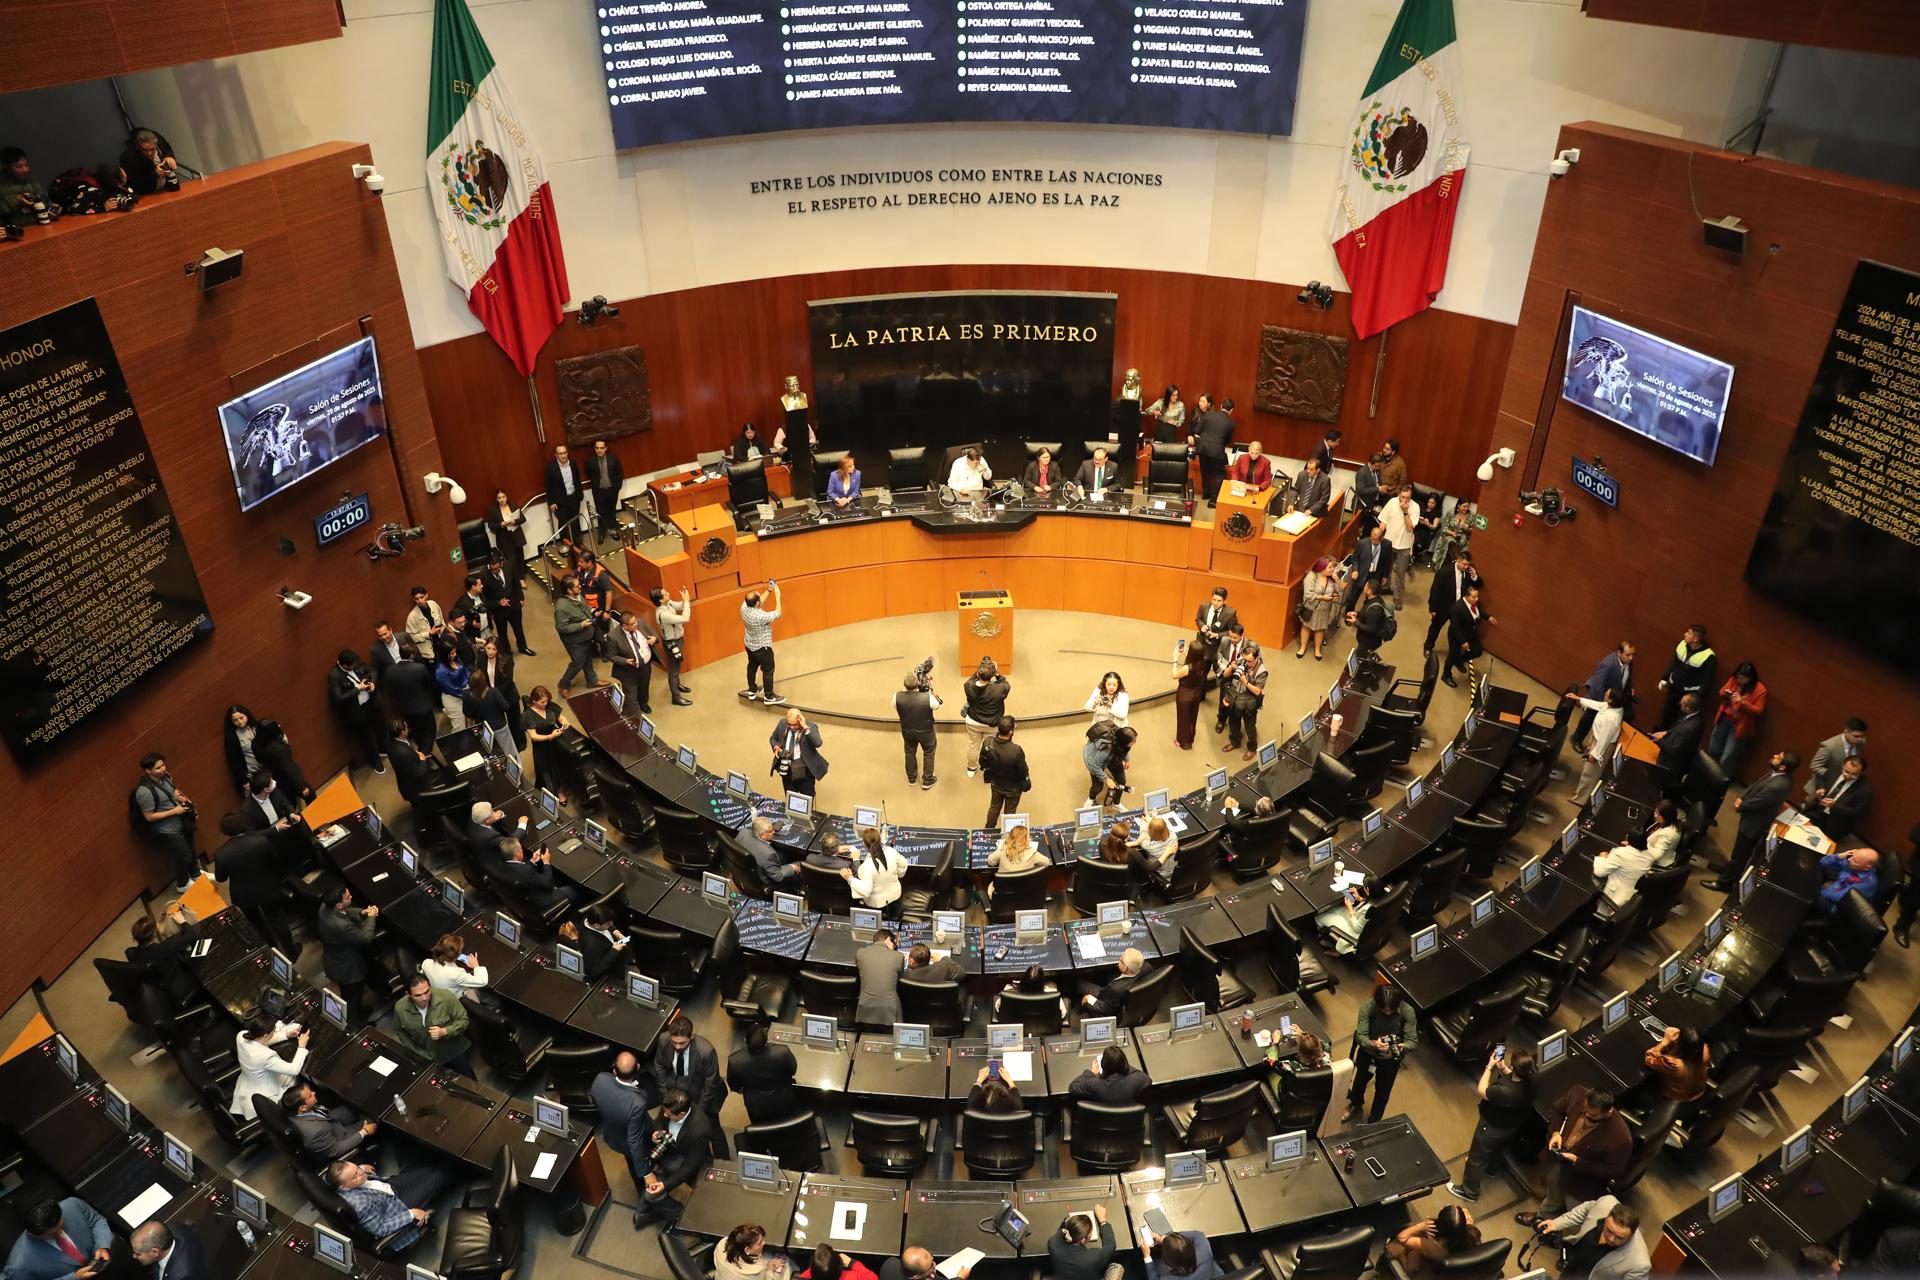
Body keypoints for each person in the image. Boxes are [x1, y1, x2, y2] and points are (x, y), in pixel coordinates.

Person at [1528, 1085, 1631, 1215]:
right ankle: (1542, 1218)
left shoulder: (1621, 1138)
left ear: (1608, 1112)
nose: (1586, 1116)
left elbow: (1614, 1170)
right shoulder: (1577, 1094)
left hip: (1581, 1183)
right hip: (1558, 1162)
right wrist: (1556, 1133)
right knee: (1553, 1194)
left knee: (1574, 1215)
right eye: (1584, 1111)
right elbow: (1557, 1110)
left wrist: (1578, 1161)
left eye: (1592, 1117)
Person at [1703, 751, 1797, 891]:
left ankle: (1725, 883)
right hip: (1751, 818)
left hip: (1754, 824)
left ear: (1783, 767)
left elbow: (1758, 802)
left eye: (1779, 757)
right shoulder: (1777, 773)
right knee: (1737, 852)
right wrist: (1742, 796)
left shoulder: (1778, 785)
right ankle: (1728, 869)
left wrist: (1741, 805)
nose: (1775, 755)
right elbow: (1756, 785)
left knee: (1741, 855)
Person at [213, 811, 296, 956]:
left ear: (225, 831)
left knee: (257, 924)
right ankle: (291, 952)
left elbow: (221, 879)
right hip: (268, 888)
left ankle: (272, 950)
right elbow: (276, 863)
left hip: (244, 896)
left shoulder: (221, 853)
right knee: (278, 920)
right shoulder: (262, 841)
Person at [328, 1158, 448, 1252]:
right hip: (401, 1204)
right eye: (355, 1176)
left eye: (357, 1168)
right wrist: (411, 1214)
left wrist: (360, 1168)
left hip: (389, 1186)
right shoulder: (360, 1205)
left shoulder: (337, 1179)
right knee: (439, 1175)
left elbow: (330, 1176)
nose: (361, 1172)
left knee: (428, 1168)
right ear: (343, 1187)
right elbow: (380, 1229)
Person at [1526, 1198, 1648, 1280]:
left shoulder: (1639, 1265)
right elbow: (1585, 1209)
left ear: (1632, 1235)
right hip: (1572, 1266)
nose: (1610, 1239)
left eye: (1619, 1237)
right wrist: (1557, 1223)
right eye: (1609, 1230)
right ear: (1606, 1219)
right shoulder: (1606, 1202)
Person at [1346, 984, 1416, 1123]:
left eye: (1391, 1010)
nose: (1388, 1013)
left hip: (1390, 1059)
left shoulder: (1407, 1011)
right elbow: (1361, 1036)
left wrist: (1402, 1046)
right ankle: (1355, 1103)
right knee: (1359, 1082)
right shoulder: (1368, 1006)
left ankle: (1375, 1120)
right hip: (1368, 1053)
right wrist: (1374, 1044)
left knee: (1383, 1091)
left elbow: (1412, 1041)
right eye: (1384, 1011)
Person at [5, 1197, 122, 1280]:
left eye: (61, 1226)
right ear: (32, 1234)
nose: (60, 1233)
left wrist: (102, 1245)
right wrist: (74, 1278)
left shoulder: (72, 1205)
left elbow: (97, 1220)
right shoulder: (18, 1266)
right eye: (53, 1234)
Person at [221, 706, 314, 803]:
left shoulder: (258, 726)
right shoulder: (232, 737)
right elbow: (234, 761)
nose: (240, 722)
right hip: (255, 772)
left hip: (270, 768)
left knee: (292, 791)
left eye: (241, 718)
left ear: (246, 715)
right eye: (235, 720)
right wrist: (244, 781)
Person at [318, 884, 380, 1025]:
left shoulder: (325, 906)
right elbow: (365, 938)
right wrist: (371, 917)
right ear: (339, 904)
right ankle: (355, 1024)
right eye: (348, 897)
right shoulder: (340, 925)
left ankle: (358, 1013)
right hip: (348, 968)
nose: (351, 897)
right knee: (352, 998)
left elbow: (344, 913)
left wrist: (362, 912)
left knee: (350, 995)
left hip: (335, 960)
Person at [229, 1010, 309, 1118]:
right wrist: (301, 1047)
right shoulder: (266, 1056)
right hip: (267, 1092)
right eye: (273, 1031)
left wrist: (286, 1034)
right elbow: (294, 1070)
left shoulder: (241, 1036)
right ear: (266, 1035)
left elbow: (259, 1041)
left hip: (249, 1081)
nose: (274, 1032)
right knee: (294, 1078)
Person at [392, 973, 476, 1076]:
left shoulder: (446, 998)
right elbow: (401, 1032)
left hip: (454, 1051)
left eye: (427, 991)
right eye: (418, 995)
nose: (424, 998)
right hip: (426, 1056)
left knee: (469, 1080)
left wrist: (445, 1031)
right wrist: (418, 1052)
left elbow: (464, 1020)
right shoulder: (400, 1008)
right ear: (408, 994)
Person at [653, 1014, 726, 1121]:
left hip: (698, 1090)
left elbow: (710, 1083)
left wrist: (699, 1112)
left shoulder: (706, 1052)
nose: (677, 1047)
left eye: (682, 1043)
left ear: (691, 1036)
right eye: (674, 1042)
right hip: (673, 1085)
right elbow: (658, 1066)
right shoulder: (663, 1039)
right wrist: (665, 1095)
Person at [127, 902, 201, 1006]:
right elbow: (191, 934)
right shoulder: (165, 948)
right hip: (177, 989)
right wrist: (182, 921)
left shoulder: (132, 953)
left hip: (156, 993)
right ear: (153, 934)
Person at [1564, 688, 1626, 806]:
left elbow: (1604, 739)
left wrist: (1596, 754)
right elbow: (1596, 704)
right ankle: (1580, 792)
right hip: (1596, 741)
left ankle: (1581, 799)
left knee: (1590, 773)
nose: (1604, 694)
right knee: (1588, 770)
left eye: (1607, 694)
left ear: (1612, 700)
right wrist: (1578, 698)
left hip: (1600, 746)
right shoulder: (1613, 707)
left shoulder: (1611, 719)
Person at [728, 1023, 800, 1124]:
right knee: (786, 1124)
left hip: (756, 1107)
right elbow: (793, 1070)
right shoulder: (783, 1052)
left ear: (745, 1041)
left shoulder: (734, 1061)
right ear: (766, 1041)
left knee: (760, 1128)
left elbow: (735, 1087)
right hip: (783, 1101)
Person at [283, 1083, 378, 1159]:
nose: (314, 1092)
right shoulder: (315, 1133)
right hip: (339, 1137)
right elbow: (335, 1151)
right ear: (303, 1108)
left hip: (328, 1121)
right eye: (310, 1095)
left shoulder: (291, 1107)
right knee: (372, 1119)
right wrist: (364, 1132)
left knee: (353, 1104)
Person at [498, 837, 589, 915]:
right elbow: (547, 884)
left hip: (528, 894)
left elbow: (522, 868)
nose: (522, 850)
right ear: (517, 853)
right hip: (543, 901)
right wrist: (546, 862)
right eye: (521, 849)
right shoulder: (525, 871)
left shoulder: (503, 865)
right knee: (575, 890)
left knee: (557, 876)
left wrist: (532, 861)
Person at [591, 1051, 650, 1169]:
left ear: (614, 1070)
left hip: (613, 1136)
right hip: (630, 1143)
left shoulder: (601, 1078)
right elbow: (635, 1141)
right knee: (635, 1162)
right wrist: (646, 1172)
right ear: (638, 1067)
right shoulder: (637, 1102)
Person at [1706, 662, 1767, 775]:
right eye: (1738, 677)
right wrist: (1727, 694)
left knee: (1728, 755)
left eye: (1742, 678)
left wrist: (1742, 702)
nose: (1739, 680)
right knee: (1714, 748)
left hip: (1739, 726)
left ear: (1750, 678)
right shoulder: (1734, 679)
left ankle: (1719, 779)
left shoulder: (1760, 689)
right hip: (1724, 718)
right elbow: (1721, 692)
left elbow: (1758, 710)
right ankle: (1707, 773)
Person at [1386, 1206, 1479, 1276]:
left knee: (1401, 1245)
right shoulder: (1469, 1235)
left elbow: (1402, 1237)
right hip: (1450, 1267)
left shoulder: (1433, 1246)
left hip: (1428, 1270)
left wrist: (1421, 1226)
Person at [381, 642, 441, 748]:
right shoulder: (419, 668)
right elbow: (428, 684)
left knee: (416, 731)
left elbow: (391, 692)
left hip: (406, 709)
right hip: (423, 707)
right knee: (430, 731)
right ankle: (425, 753)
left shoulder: (390, 671)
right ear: (412, 655)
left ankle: (422, 749)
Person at [1657, 625, 1717, 730]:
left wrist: (1698, 696)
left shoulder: (1708, 656)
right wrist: (1665, 678)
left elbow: (1708, 679)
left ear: (1696, 638)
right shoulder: (1682, 644)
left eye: (1689, 633)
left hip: (1688, 695)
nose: (1685, 634)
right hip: (1673, 688)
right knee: (1666, 716)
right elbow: (1673, 662)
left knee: (1680, 722)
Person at [1576, 642, 1635, 744]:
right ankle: (1576, 739)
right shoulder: (1607, 664)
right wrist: (1603, 705)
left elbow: (1626, 678)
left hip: (1614, 697)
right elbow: (1598, 686)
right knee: (1589, 717)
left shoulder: (1629, 662)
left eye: (1633, 654)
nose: (1631, 658)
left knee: (1629, 715)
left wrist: (1630, 688)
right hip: (1599, 695)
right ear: (1619, 653)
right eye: (1628, 655)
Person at [553, 574, 602, 694]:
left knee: (588, 658)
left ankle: (592, 681)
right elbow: (561, 627)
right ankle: (563, 684)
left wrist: (592, 614)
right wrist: (581, 625)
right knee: (578, 663)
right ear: (569, 590)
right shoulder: (561, 608)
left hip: (587, 635)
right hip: (575, 641)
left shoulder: (578, 595)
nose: (579, 587)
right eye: (576, 586)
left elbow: (584, 610)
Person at [979, 715, 1031, 828]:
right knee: (1010, 813)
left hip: (996, 784)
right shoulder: (1016, 750)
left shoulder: (987, 742)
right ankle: (1007, 834)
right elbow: (1022, 771)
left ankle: (988, 831)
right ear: (1011, 732)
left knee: (994, 808)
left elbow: (982, 762)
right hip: (1013, 788)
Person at [962, 658, 1011, 778]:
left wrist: (980, 670)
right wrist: (997, 672)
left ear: (978, 673)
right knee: (990, 746)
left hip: (973, 721)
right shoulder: (1000, 689)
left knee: (973, 745)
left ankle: (971, 768)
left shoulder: (969, 686)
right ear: (992, 675)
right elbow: (1005, 683)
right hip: (992, 724)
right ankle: (988, 767)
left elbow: (972, 679)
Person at [524, 686, 572, 804]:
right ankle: (556, 793)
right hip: (542, 747)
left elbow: (561, 717)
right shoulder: (528, 715)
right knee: (547, 770)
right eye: (542, 702)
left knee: (558, 767)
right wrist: (550, 736)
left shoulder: (549, 705)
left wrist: (565, 723)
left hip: (555, 743)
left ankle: (560, 789)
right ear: (534, 701)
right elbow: (533, 736)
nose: (545, 704)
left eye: (546, 701)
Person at [1650, 693, 1704, 795]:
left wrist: (1659, 741)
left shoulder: (1691, 727)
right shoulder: (1693, 716)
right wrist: (1666, 733)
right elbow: (1678, 730)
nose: (1679, 704)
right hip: (1672, 760)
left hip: (1671, 767)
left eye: (1682, 703)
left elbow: (1674, 750)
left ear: (1687, 708)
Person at [894, 670, 940, 788]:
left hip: (907, 731)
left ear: (904, 684)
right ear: (918, 683)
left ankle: (912, 778)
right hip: (926, 732)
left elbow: (896, 706)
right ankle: (927, 780)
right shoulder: (927, 697)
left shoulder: (896, 697)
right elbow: (937, 705)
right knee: (929, 753)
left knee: (909, 753)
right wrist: (931, 691)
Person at [649, 585, 695, 706]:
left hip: (678, 640)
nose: (668, 593)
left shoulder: (667, 604)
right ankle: (676, 697)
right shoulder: (663, 614)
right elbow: (685, 618)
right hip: (672, 643)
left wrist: (685, 599)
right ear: (660, 600)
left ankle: (677, 685)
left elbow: (679, 605)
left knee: (677, 666)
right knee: (674, 670)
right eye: (665, 594)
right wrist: (686, 602)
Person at [1805, 718, 1869, 802]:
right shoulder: (1829, 746)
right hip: (1821, 788)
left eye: (1862, 736)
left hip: (1839, 790)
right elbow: (1815, 766)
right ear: (1846, 731)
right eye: (1856, 736)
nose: (1860, 739)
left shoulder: (1861, 742)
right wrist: (1832, 774)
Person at [1593, 829, 1660, 910]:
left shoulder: (1620, 853)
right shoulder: (1650, 856)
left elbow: (1599, 872)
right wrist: (1630, 847)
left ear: (1628, 839)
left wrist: (1601, 858)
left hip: (1613, 901)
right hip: (1631, 898)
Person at [1048, 1204, 1117, 1280]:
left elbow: (1060, 1233)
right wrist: (1103, 1221)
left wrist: (1068, 1222)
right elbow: (1110, 1245)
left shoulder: (1053, 1243)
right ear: (1083, 1240)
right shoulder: (1092, 1257)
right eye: (1090, 1232)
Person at [741, 581, 784, 704]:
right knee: (768, 670)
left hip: (750, 645)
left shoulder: (744, 607)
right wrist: (777, 595)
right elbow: (778, 613)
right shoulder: (760, 615)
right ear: (757, 603)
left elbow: (759, 601)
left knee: (752, 666)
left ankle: (752, 690)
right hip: (762, 648)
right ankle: (769, 697)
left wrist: (768, 590)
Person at [1222, 642, 1267, 757]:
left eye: (1250, 661)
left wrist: (1245, 681)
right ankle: (1235, 741)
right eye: (1245, 659)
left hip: (1248, 703)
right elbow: (1226, 676)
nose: (1246, 663)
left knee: (1250, 727)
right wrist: (1231, 668)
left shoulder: (1262, 671)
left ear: (1256, 658)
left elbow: (1257, 691)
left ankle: (1252, 748)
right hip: (1234, 698)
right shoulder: (1241, 661)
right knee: (1233, 722)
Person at [770, 707, 828, 797]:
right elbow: (773, 739)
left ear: (800, 719)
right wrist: (776, 747)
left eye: (795, 724)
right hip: (786, 770)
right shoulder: (782, 724)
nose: (792, 727)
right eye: (789, 724)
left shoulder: (810, 726)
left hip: (805, 773)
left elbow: (818, 743)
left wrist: (805, 728)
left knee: (807, 799)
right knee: (790, 798)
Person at [845, 828, 909, 909]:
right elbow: (903, 865)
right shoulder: (891, 851)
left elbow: (865, 891)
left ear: (864, 844)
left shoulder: (867, 865)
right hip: (895, 896)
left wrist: (849, 878)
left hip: (876, 904)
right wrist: (897, 874)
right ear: (880, 839)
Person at [1643, 1026, 1709, 1103]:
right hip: (1697, 1092)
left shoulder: (1673, 1064)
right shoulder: (1704, 1050)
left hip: (1677, 1097)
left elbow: (1648, 1058)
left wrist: (1665, 1041)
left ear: (1679, 1044)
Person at [1442, 583, 1492, 686]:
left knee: (1477, 651)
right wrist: (1463, 641)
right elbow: (1456, 627)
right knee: (1452, 654)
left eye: (1477, 596)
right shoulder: (1457, 608)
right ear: (1466, 596)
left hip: (1470, 632)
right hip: (1457, 635)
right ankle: (1446, 675)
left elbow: (1479, 611)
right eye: (1474, 597)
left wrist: (1488, 617)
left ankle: (1459, 660)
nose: (1476, 599)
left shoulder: (1474, 603)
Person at [1811, 756, 1873, 839]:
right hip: (1816, 810)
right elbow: (1820, 777)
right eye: (1846, 771)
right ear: (1842, 765)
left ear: (1861, 772)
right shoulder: (1834, 769)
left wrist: (1834, 805)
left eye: (1854, 774)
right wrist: (1820, 787)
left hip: (1835, 823)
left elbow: (1856, 813)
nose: (1848, 776)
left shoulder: (1865, 790)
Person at [1068, 1045, 1151, 1106]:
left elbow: (1072, 1087)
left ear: (1103, 1065)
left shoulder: (1094, 1084)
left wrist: (1091, 1072)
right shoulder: (1135, 1081)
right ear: (1124, 1063)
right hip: (1128, 1124)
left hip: (1099, 1123)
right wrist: (1123, 1065)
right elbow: (1147, 1079)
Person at [1189, 395, 1235, 503]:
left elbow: (1197, 430)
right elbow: (1228, 440)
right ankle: (1213, 501)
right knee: (1220, 474)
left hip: (1203, 448)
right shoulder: (1231, 423)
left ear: (1220, 406)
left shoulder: (1207, 415)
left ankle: (1205, 494)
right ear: (1231, 410)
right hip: (1217, 450)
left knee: (1205, 472)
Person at [420, 933, 491, 1002]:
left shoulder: (426, 963)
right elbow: (482, 981)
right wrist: (476, 966)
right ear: (456, 955)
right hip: (455, 1000)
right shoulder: (456, 974)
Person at [855, 929, 905, 1027]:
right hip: (890, 1011)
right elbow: (900, 981)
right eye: (894, 944)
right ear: (888, 939)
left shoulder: (860, 953)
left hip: (865, 1009)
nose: (894, 947)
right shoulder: (899, 956)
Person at [610, 612, 657, 716]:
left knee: (644, 687)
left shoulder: (640, 622)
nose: (636, 624)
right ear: (625, 626)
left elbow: (653, 633)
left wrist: (654, 638)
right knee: (631, 697)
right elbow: (612, 656)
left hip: (645, 666)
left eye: (636, 621)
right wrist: (625, 661)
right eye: (633, 623)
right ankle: (634, 717)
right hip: (628, 671)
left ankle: (643, 704)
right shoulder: (613, 636)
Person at [986, 824, 1047, 902]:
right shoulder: (1033, 853)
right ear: (1025, 840)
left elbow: (991, 862)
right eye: (1028, 837)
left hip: (1002, 897)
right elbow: (1046, 863)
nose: (1030, 839)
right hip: (1026, 896)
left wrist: (1002, 846)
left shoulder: (1003, 849)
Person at [1378, 486, 1419, 599]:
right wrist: (1378, 537)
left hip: (1404, 546)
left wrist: (1405, 512)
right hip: (1388, 542)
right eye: (1403, 497)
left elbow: (1410, 528)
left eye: (1408, 497)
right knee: (1386, 568)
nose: (1405, 500)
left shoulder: (1415, 507)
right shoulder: (1392, 502)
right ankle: (1386, 587)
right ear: (1398, 494)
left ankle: (1397, 595)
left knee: (1400, 572)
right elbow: (1383, 521)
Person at [1171, 634, 1210, 750]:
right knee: (1192, 717)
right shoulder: (1204, 663)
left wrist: (1174, 660)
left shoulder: (1187, 668)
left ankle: (1182, 742)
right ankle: (1189, 737)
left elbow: (1174, 675)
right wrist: (1185, 653)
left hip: (1185, 694)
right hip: (1196, 692)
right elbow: (1194, 662)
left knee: (1183, 719)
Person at [1296, 559, 1341, 660]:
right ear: (1322, 568)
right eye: (1330, 567)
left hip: (1324, 610)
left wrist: (1337, 581)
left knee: (1320, 629)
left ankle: (1317, 649)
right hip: (1311, 608)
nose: (1332, 569)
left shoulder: (1332, 578)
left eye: (1333, 567)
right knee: (1306, 626)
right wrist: (1322, 597)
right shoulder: (1312, 576)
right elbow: (1308, 594)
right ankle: (1302, 648)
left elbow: (1340, 591)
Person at [1080, 948, 1145, 1017]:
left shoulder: (1116, 989)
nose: (1118, 960)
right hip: (1118, 994)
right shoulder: (1146, 967)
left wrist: (1090, 999)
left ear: (1125, 968)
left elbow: (1107, 1010)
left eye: (1120, 960)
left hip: (1105, 999)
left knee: (1080, 984)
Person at [1084, 725, 1136, 806]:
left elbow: (1124, 748)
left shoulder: (1121, 740)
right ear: (1123, 742)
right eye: (1132, 742)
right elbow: (1093, 766)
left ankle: (1116, 803)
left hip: (1113, 756)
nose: (1134, 743)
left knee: (1121, 780)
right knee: (1097, 787)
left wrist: (1126, 759)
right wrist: (1106, 779)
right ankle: (1091, 798)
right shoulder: (1104, 751)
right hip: (1095, 762)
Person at [1143, 1228, 1222, 1280]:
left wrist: (1147, 1256)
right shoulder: (1205, 1253)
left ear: (1169, 1266)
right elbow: (1198, 1235)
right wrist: (1165, 1240)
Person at [120, 127, 180, 194]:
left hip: (166, 188)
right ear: (138, 146)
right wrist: (155, 173)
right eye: (144, 150)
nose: (149, 153)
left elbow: (168, 149)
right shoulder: (129, 157)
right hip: (145, 194)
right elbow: (133, 181)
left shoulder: (160, 143)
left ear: (156, 145)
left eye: (152, 149)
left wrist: (169, 157)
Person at [1817, 847, 1880, 911]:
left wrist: (1818, 891)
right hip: (1835, 888)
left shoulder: (1867, 883)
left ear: (1867, 868)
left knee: (1812, 896)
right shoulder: (1852, 862)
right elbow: (1823, 862)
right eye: (1852, 856)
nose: (1849, 859)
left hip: (1839, 906)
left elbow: (1839, 898)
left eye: (1855, 861)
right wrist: (1841, 856)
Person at [546, 443, 586, 541]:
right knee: (563, 524)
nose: (563, 456)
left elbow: (577, 479)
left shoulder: (572, 463)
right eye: (560, 454)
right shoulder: (551, 467)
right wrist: (551, 502)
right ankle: (566, 545)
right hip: (560, 501)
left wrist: (579, 495)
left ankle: (578, 543)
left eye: (565, 453)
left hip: (574, 498)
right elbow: (548, 486)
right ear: (556, 455)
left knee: (575, 522)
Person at [587, 438, 625, 541]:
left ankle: (613, 529)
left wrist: (618, 487)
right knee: (600, 512)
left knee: (611, 511)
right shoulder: (590, 461)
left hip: (612, 490)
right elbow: (589, 474)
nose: (599, 450)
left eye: (602, 448)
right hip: (598, 491)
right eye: (597, 448)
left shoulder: (613, 458)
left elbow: (619, 472)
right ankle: (602, 532)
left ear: (606, 448)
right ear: (594, 449)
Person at [1127, 814, 1180, 888]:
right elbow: (1165, 828)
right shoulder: (1174, 836)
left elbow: (1143, 833)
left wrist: (1146, 823)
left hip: (1158, 874)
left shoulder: (1148, 846)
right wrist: (1152, 822)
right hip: (1174, 872)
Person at [1349, 578, 1389, 658]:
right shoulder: (1375, 599)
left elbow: (1371, 629)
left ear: (1370, 591)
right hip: (1366, 640)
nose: (1364, 587)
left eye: (1365, 586)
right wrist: (1357, 613)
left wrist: (1355, 622)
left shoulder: (1373, 611)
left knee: (1358, 659)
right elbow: (1365, 612)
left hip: (1368, 642)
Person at [405, 584, 449, 652]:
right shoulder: (412, 617)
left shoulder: (433, 604)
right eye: (417, 599)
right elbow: (411, 638)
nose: (420, 601)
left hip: (443, 643)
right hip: (429, 651)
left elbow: (442, 621)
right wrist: (428, 634)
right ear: (413, 599)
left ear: (426, 595)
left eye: (422, 597)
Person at [801, 1245, 880, 1280]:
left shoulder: (808, 1274)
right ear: (841, 1265)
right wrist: (852, 1263)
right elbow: (874, 1278)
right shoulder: (853, 1277)